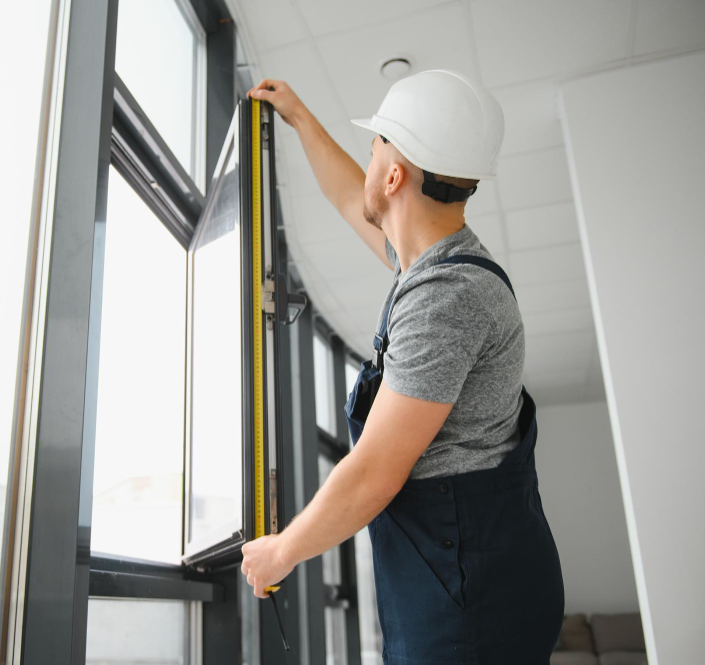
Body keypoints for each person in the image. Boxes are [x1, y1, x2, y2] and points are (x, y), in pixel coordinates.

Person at [239, 70, 565, 663]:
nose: (366, 167)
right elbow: (349, 198)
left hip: (470, 603)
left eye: (374, 149)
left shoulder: (447, 296)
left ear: (392, 177)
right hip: (461, 573)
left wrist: (280, 551)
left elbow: (373, 475)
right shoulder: (432, 266)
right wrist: (300, 117)